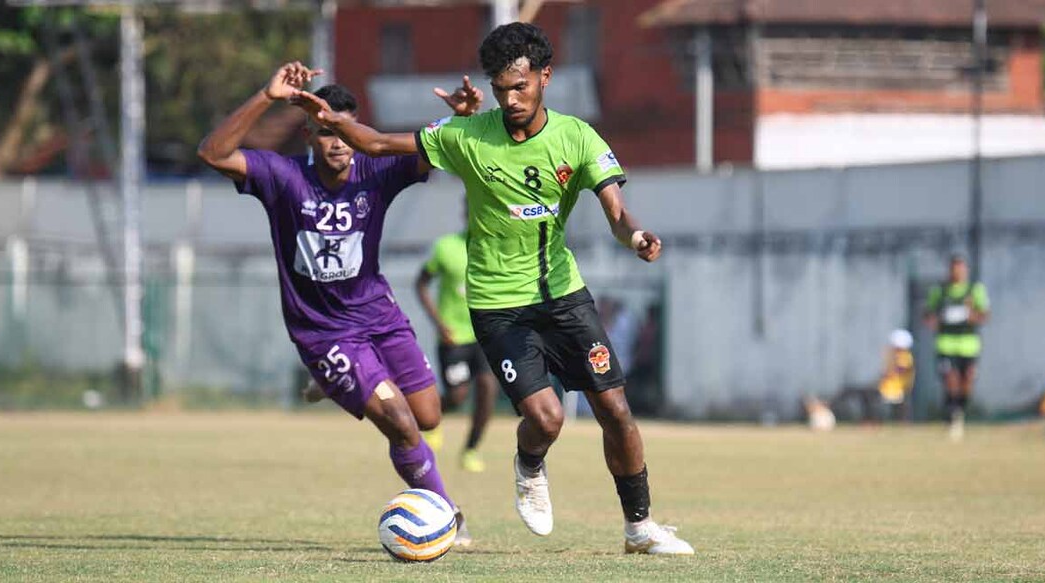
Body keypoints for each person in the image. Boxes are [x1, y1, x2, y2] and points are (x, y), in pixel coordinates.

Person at [291, 23, 694, 554]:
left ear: (545, 77)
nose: (510, 99)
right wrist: (319, 112)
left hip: (563, 295)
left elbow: (616, 211)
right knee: (545, 418)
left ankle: (640, 529)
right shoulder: (468, 135)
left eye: (521, 87)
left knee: (615, 409)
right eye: (501, 89)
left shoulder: (578, 137)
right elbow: (377, 142)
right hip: (498, 305)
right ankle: (529, 463)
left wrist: (637, 235)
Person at [196, 62, 482, 544]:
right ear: (309, 133)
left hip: (380, 317)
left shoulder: (377, 170)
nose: (337, 143)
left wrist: (462, 121)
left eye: (344, 131)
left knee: (429, 414)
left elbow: (437, 152)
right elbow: (213, 152)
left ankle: (332, 383)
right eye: (326, 132)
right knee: (402, 423)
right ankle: (447, 518)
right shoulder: (283, 177)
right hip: (324, 331)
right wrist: (267, 95)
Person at [415, 221, 499, 473]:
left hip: (484, 336)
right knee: (457, 396)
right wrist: (439, 324)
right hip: (453, 338)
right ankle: (430, 420)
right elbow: (421, 284)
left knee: (487, 388)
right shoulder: (446, 247)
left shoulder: (498, 246)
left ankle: (471, 450)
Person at [924, 255, 989, 441]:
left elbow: (984, 315)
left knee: (966, 382)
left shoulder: (974, 290)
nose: (957, 273)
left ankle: (958, 410)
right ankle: (953, 417)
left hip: (969, 345)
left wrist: (971, 315)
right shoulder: (940, 291)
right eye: (954, 269)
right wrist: (934, 321)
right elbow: (928, 314)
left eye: (961, 269)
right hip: (946, 344)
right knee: (951, 380)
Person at [877, 329, 915, 423]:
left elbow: (901, 369)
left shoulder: (904, 356)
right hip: (889, 388)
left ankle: (902, 422)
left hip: (898, 388)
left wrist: (890, 371)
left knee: (900, 409)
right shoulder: (895, 355)